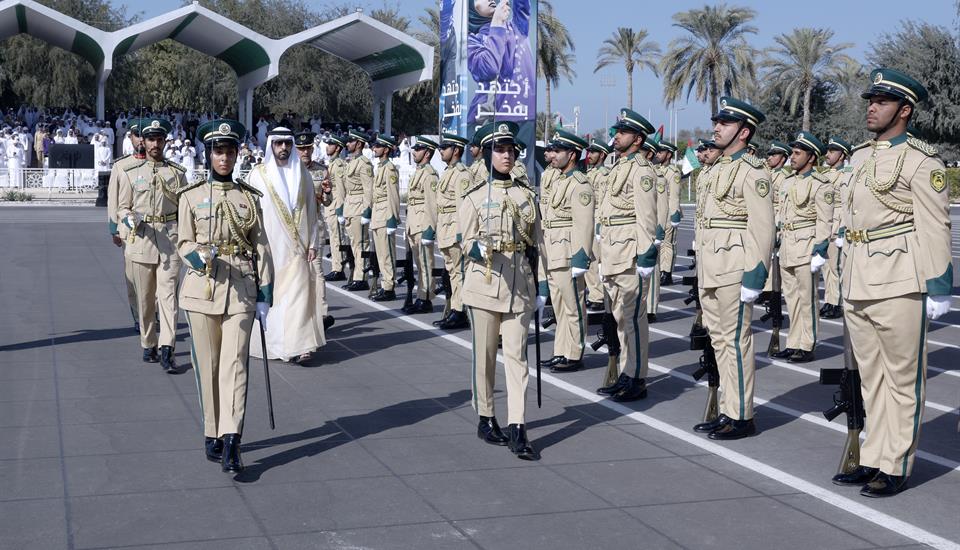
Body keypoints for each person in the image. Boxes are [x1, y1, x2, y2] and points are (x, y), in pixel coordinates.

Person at [831, 68, 952, 497]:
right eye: (870, 100)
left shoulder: (922, 161)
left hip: (901, 279)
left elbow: (935, 226)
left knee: (902, 379)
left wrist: (939, 285)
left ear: (904, 110)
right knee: (871, 379)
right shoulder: (861, 158)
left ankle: (896, 464)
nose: (871, 107)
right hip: (860, 277)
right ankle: (872, 456)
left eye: (881, 102)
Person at [177, 119, 273, 473]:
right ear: (209, 154)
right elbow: (182, 242)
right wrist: (198, 256)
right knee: (210, 366)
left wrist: (265, 292)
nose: (225, 158)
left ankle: (232, 439)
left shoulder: (248, 197)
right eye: (219, 151)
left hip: (241, 289)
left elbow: (261, 246)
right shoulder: (191, 196)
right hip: (202, 290)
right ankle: (212, 431)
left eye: (230, 151)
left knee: (236, 366)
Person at [692, 98, 774, 440]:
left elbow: (763, 227)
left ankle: (741, 415)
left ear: (743, 132)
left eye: (724, 125)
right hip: (711, 265)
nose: (716, 129)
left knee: (735, 341)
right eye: (717, 123)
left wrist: (756, 275)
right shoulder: (714, 169)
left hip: (734, 268)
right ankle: (727, 408)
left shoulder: (753, 172)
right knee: (719, 340)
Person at [460, 121, 538, 460]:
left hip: (519, 284)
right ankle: (486, 416)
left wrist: (543, 284)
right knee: (485, 357)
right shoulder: (475, 197)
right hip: (485, 284)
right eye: (499, 149)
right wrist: (478, 248)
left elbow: (537, 241)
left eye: (510, 150)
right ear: (489, 155)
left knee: (518, 358)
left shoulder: (526, 195)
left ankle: (518, 426)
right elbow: (465, 241)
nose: (506, 155)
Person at [594, 108, 659, 402]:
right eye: (617, 131)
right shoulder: (618, 166)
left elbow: (646, 218)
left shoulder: (642, 171)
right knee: (621, 319)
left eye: (622, 132)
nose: (615, 136)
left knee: (633, 319)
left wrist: (646, 257)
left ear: (637, 138)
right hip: (612, 252)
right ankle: (626, 372)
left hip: (630, 254)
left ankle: (637, 377)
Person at [247, 128, 325, 364]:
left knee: (300, 296)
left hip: (298, 248)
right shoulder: (257, 175)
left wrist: (312, 242)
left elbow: (312, 210)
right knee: (275, 299)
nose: (283, 148)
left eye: (287, 144)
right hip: (269, 248)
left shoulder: (302, 174)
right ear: (271, 145)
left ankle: (302, 346)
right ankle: (277, 344)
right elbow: (250, 213)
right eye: (279, 143)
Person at [116, 117, 186, 373]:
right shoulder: (130, 173)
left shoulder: (178, 173)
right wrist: (127, 219)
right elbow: (123, 207)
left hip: (170, 239)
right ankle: (149, 341)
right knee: (145, 300)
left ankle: (168, 347)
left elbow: (185, 210)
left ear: (165, 141)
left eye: (160, 139)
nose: (156, 143)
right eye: (151, 139)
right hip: (142, 239)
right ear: (143, 142)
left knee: (168, 297)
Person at [536, 129, 594, 373]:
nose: (553, 155)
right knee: (559, 306)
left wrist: (581, 256)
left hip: (568, 252)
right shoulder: (558, 179)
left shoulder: (580, 185)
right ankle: (561, 350)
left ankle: (575, 353)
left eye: (558, 151)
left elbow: (584, 224)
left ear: (572, 154)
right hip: (553, 249)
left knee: (573, 307)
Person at [772, 131, 832, 364]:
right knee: (792, 300)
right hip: (787, 246)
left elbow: (825, 220)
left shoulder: (821, 185)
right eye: (793, 153)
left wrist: (820, 248)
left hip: (806, 247)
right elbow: (781, 213)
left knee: (807, 300)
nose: (792, 157)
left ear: (811, 157)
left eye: (798, 153)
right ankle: (793, 342)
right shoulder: (788, 181)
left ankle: (808, 344)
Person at [295, 130, 335, 331]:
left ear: (312, 148)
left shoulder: (321, 171)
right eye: (300, 148)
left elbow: (328, 201)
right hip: (293, 228)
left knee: (317, 271)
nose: (304, 152)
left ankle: (322, 314)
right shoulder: (288, 170)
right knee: (295, 272)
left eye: (307, 148)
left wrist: (327, 193)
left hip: (314, 225)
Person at [433, 133, 473, 329]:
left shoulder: (462, 174)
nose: (441, 150)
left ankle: (460, 310)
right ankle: (456, 309)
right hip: (445, 225)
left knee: (459, 271)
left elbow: (463, 207)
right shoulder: (449, 171)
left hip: (454, 226)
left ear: (456, 150)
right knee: (452, 271)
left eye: (445, 147)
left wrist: (461, 232)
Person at [403, 136, 440, 314]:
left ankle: (426, 299)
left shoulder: (430, 175)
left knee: (426, 264)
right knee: (419, 264)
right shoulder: (418, 172)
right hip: (413, 224)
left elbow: (432, 205)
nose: (414, 152)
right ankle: (420, 295)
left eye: (418, 149)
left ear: (427, 153)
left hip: (422, 225)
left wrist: (429, 230)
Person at [820, 137, 852, 320]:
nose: (828, 154)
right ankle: (830, 301)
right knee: (827, 268)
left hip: (838, 222)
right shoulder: (826, 174)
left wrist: (843, 229)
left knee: (837, 267)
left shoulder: (846, 174)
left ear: (842, 155)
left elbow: (848, 204)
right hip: (827, 223)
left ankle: (838, 303)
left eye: (832, 151)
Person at [369, 134, 401, 302]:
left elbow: (393, 195)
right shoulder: (380, 167)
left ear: (386, 149)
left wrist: (393, 219)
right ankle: (385, 285)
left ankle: (389, 287)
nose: (375, 148)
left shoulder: (389, 169)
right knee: (381, 254)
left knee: (387, 253)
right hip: (378, 215)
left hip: (385, 215)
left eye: (378, 146)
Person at [342, 130, 374, 291]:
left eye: (350, 141)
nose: (347, 144)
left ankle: (361, 277)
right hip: (350, 204)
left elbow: (368, 189)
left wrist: (367, 211)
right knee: (355, 243)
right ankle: (357, 275)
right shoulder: (352, 161)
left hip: (359, 205)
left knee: (361, 243)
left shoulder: (364, 163)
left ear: (359, 144)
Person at [583, 139, 612, 311]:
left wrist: (600, 224)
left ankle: (599, 296)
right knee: (590, 259)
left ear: (602, 155)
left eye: (593, 152)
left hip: (597, 220)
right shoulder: (591, 173)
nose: (589, 155)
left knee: (596, 260)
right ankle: (595, 294)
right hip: (588, 219)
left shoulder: (604, 175)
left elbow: (603, 202)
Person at [322, 135, 349, 282]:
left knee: (338, 238)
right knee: (334, 238)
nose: (327, 147)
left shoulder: (338, 165)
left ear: (337, 148)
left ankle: (339, 269)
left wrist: (340, 209)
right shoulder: (332, 163)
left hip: (335, 206)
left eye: (330, 145)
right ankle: (336, 267)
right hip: (330, 206)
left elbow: (340, 189)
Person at [657, 140, 682, 287]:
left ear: (669, 154)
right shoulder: (655, 169)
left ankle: (667, 273)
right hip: (657, 212)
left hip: (667, 211)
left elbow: (675, 196)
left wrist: (674, 214)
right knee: (659, 244)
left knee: (668, 243)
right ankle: (661, 269)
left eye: (661, 152)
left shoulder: (673, 172)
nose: (658, 154)